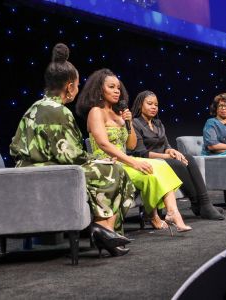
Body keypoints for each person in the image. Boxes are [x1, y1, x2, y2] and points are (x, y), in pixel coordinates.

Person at [10, 43, 134, 257]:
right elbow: (71, 156)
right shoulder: (58, 112)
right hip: (45, 172)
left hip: (39, 168)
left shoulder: (37, 106)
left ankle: (105, 231)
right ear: (69, 87)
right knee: (114, 171)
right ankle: (104, 230)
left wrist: (95, 160)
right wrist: (96, 160)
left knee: (114, 169)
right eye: (77, 85)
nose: (78, 89)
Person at [76, 68, 192, 233]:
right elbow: (103, 144)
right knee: (148, 174)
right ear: (99, 89)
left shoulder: (119, 114)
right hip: (107, 164)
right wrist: (134, 163)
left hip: (124, 160)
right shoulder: (96, 112)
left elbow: (130, 146)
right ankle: (153, 216)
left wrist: (128, 124)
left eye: (118, 87)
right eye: (111, 87)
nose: (117, 91)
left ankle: (173, 213)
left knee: (161, 165)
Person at [130, 90, 224, 220]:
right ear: (140, 105)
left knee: (188, 158)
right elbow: (141, 152)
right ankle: (199, 204)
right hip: (148, 161)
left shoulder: (158, 123)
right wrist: (168, 156)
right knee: (177, 163)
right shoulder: (135, 123)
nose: (153, 107)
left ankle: (204, 203)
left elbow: (166, 145)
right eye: (150, 104)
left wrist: (171, 151)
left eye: (156, 105)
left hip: (162, 158)